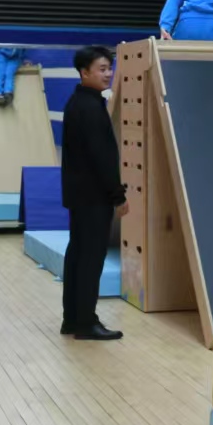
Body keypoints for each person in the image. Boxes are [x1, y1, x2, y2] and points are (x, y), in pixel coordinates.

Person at [60, 45, 128, 340]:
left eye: (109, 68)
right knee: (90, 259)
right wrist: (118, 195)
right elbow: (102, 157)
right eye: (102, 69)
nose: (108, 74)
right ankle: (86, 322)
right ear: (84, 72)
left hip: (79, 195)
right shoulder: (89, 108)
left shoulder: (78, 102)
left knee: (78, 254)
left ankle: (72, 318)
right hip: (92, 196)